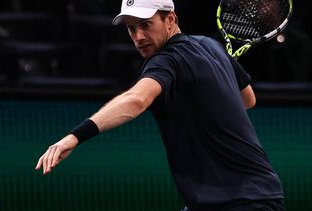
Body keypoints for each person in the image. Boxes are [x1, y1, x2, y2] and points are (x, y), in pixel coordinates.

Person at [35, 0, 285, 210]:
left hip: (239, 201)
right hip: (250, 194)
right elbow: (247, 99)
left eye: (146, 25)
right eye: (131, 29)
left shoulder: (166, 60)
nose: (139, 37)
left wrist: (74, 136)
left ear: (170, 19)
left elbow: (135, 100)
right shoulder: (211, 46)